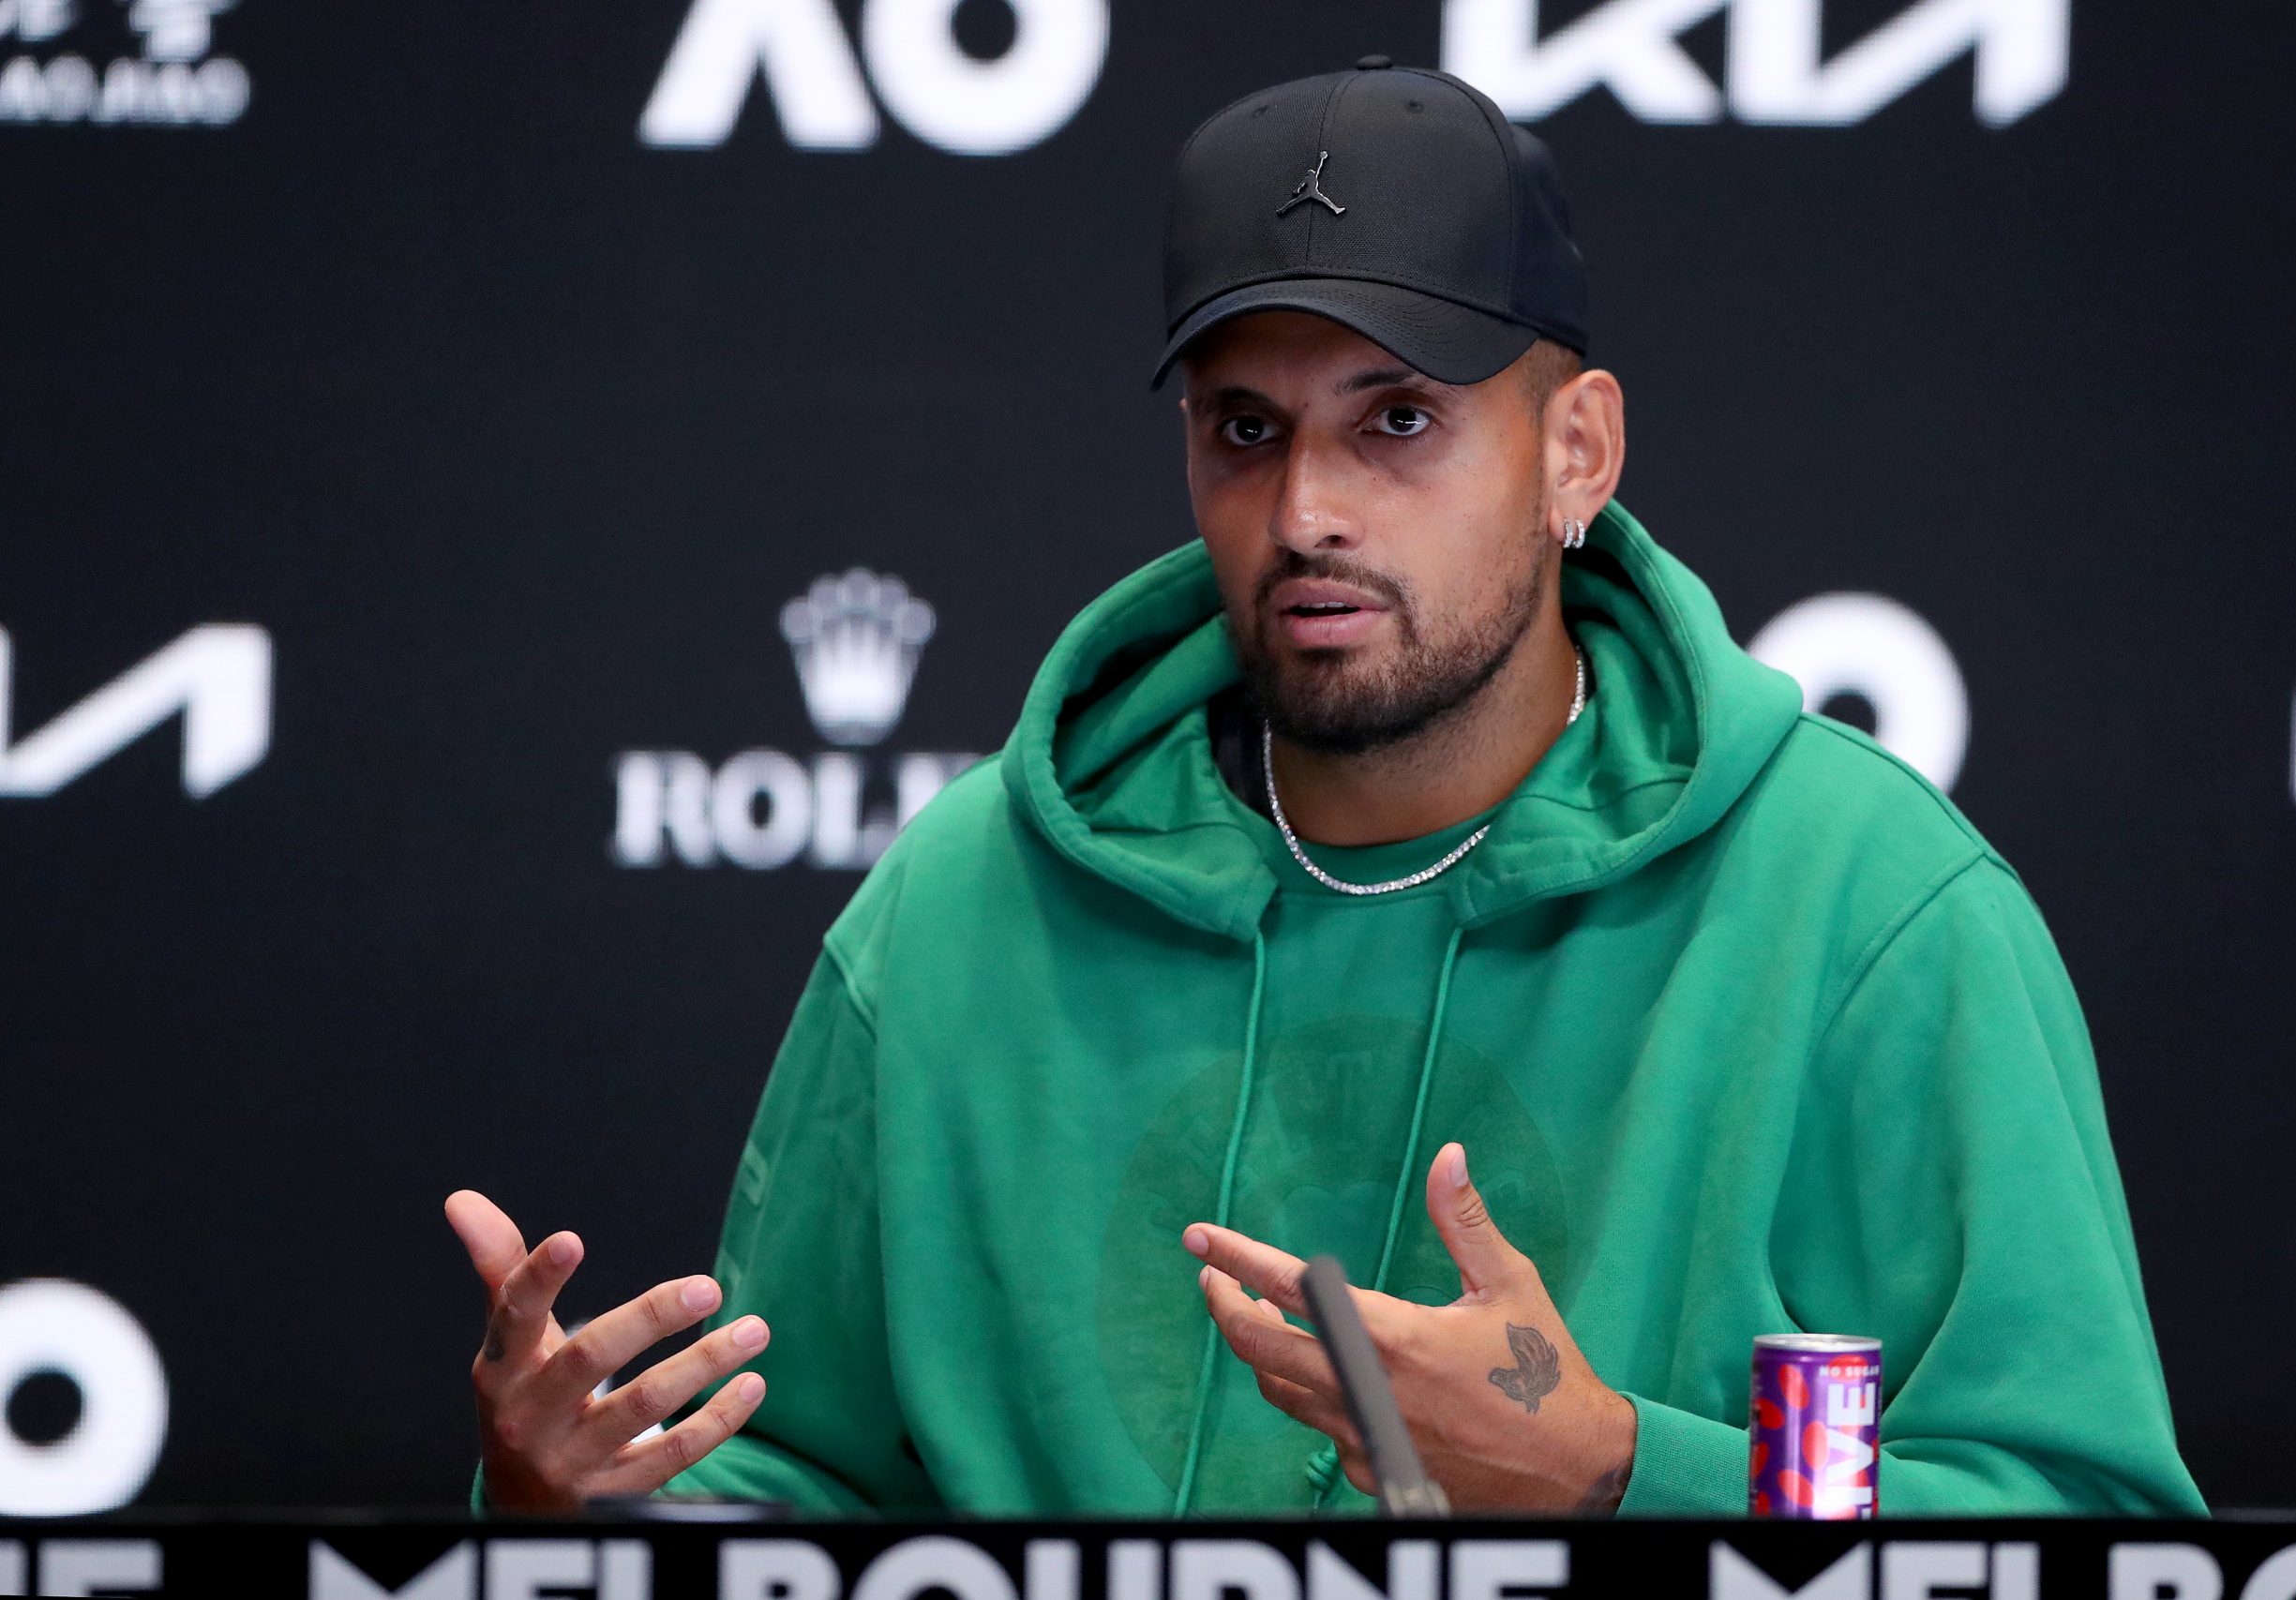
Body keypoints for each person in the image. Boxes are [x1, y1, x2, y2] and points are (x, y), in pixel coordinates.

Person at [445, 58, 2207, 1518]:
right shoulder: (967, 900)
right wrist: (584, 1517)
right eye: (1246, 428)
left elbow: (2087, 1523)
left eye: (1400, 420)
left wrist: (1617, 1476)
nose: (1307, 515)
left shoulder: (1865, 908)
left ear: (1574, 448)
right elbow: (808, 1487)